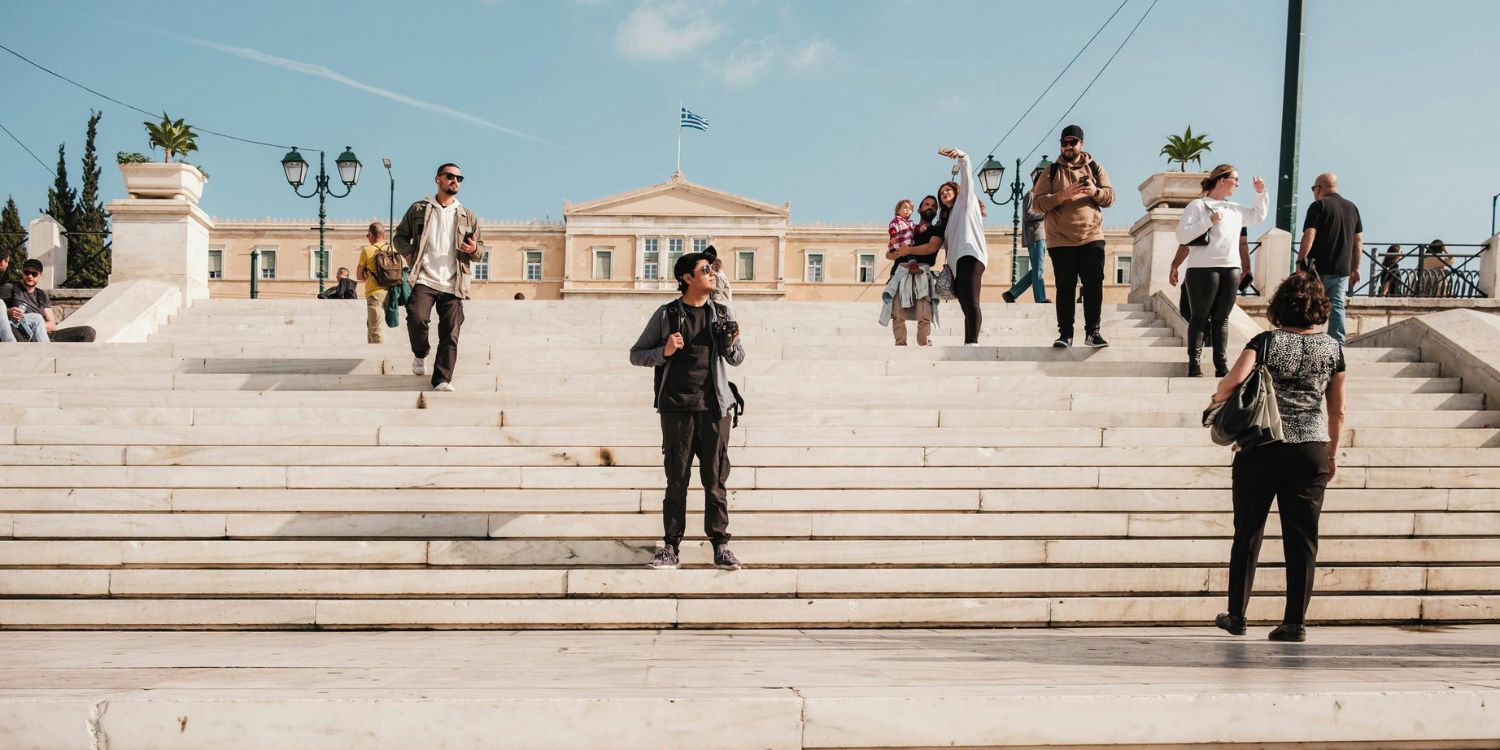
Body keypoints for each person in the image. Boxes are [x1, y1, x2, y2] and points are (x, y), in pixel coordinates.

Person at [1210, 271, 1345, 643]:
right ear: (1320, 308)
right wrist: (1332, 454)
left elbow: (1232, 382)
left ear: (1280, 306)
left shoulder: (1265, 342)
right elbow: (1337, 411)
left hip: (1263, 446)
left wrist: (1216, 401)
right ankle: (1294, 622)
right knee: (1303, 538)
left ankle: (1237, 614)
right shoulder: (1333, 349)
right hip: (1311, 450)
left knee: (1248, 530)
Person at [630, 251, 746, 572]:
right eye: (705, 269)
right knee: (677, 481)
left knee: (715, 480)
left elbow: (737, 358)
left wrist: (730, 344)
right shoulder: (667, 314)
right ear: (687, 278)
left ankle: (721, 546)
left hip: (715, 408)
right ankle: (670, 547)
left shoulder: (721, 312)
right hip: (677, 407)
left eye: (712, 269)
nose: (712, 273)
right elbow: (637, 354)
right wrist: (664, 351)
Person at [394, 163, 485, 392]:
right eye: (450, 176)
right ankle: (420, 353)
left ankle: (442, 379)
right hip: (424, 278)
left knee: (451, 332)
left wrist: (474, 249)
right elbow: (399, 236)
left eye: (459, 178)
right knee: (416, 318)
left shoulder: (467, 216)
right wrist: (409, 253)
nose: (455, 181)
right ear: (438, 179)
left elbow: (480, 251)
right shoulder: (419, 209)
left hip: (454, 282)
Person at [1170, 165, 1268, 377]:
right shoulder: (1198, 205)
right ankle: (1194, 365)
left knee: (1222, 319)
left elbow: (1258, 216)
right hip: (1202, 268)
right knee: (1199, 317)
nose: (1238, 184)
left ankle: (1221, 365)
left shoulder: (1235, 209)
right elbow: (1182, 236)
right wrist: (1209, 221)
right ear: (1222, 180)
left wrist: (1260, 193)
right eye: (1235, 179)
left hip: (1231, 267)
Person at [1031, 124, 1116, 348]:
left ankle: (1093, 333)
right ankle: (1065, 335)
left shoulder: (1095, 167)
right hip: (1060, 239)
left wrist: (1095, 192)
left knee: (1093, 285)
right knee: (1065, 287)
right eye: (1064, 143)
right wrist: (1062, 195)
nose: (1068, 147)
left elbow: (1110, 197)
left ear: (1081, 144)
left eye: (1072, 143)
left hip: (1092, 235)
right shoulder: (1050, 171)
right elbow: (1037, 203)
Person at [1297, 172, 1362, 344]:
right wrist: (1355, 267)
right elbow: (1358, 240)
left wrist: (1301, 261)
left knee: (1308, 302)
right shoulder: (1352, 208)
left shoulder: (1318, 205)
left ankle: (1305, 338)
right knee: (1337, 305)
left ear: (1319, 188)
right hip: (1342, 269)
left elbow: (1310, 234)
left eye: (1313, 188)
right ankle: (1337, 343)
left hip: (1318, 267)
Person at [936, 147, 988, 345]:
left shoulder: (965, 201)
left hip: (970, 256)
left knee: (972, 302)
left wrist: (963, 157)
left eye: (948, 190)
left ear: (957, 191)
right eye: (941, 193)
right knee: (966, 305)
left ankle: (972, 343)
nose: (944, 193)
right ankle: (969, 342)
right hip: (957, 265)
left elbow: (967, 178)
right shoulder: (949, 220)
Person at [883, 195, 942, 345]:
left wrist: (908, 250)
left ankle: (923, 342)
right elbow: (889, 254)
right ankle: (900, 343)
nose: (930, 207)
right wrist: (895, 253)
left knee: (925, 313)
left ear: (936, 211)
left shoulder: (937, 229)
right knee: (898, 313)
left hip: (922, 273)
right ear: (920, 209)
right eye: (927, 204)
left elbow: (931, 247)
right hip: (901, 271)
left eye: (933, 206)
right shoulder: (906, 227)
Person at [1, 259, 96, 342]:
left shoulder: (42, 295)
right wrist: (8, 312)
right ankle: (47, 351)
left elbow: (52, 325)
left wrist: (38, 327)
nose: (30, 276)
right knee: (35, 319)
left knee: (88, 332)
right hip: (22, 333)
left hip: (45, 334)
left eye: (34, 274)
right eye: (27, 272)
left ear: (40, 275)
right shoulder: (11, 288)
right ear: (23, 273)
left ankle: (51, 350)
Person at [1003, 166, 1051, 304]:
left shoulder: (1036, 197)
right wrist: (1047, 213)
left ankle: (1011, 293)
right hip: (1036, 236)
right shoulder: (1030, 196)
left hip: (1039, 236)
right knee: (1038, 269)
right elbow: (1029, 214)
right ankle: (1040, 298)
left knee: (1036, 269)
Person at [356, 223, 394, 344]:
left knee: (376, 329)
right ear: (383, 234)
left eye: (367, 235)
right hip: (391, 292)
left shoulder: (367, 250)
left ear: (371, 235)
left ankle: (380, 354)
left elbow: (358, 275)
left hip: (374, 293)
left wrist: (368, 275)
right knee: (371, 325)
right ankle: (371, 351)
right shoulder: (391, 249)